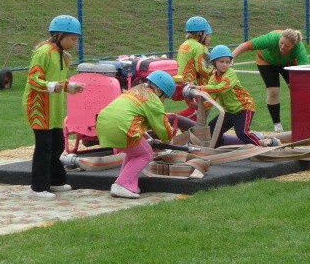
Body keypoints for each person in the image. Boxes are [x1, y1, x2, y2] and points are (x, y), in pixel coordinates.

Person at [23, 15, 86, 200]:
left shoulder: (60, 54)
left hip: (54, 107)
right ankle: (38, 187)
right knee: (44, 147)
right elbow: (33, 79)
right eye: (72, 39)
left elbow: (57, 81)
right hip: (39, 106)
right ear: (59, 35)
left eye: (76, 39)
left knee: (57, 144)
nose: (75, 43)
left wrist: (70, 86)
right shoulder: (43, 52)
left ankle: (56, 180)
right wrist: (51, 86)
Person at [96, 70, 176, 199]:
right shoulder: (153, 99)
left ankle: (128, 183)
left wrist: (145, 136)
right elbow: (162, 125)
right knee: (146, 153)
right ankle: (121, 184)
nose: (163, 101)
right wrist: (168, 140)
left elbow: (130, 114)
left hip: (104, 124)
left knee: (134, 152)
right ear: (159, 91)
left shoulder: (135, 91)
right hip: (122, 127)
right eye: (165, 97)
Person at [191, 45, 277, 148]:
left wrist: (200, 88)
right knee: (213, 129)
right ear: (214, 62)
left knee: (242, 133)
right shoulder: (213, 77)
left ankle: (263, 143)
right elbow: (213, 96)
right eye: (221, 61)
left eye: (227, 62)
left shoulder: (230, 73)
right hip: (229, 111)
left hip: (243, 108)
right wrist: (200, 106)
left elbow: (221, 88)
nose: (225, 64)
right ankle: (218, 149)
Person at [232, 29, 308, 132]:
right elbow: (246, 45)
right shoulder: (271, 39)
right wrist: (231, 58)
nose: (282, 47)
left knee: (298, 90)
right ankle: (277, 125)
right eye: (281, 43)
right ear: (279, 39)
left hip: (288, 63)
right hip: (266, 61)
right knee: (273, 92)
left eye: (287, 46)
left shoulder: (299, 49)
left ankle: (303, 121)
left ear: (294, 46)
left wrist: (298, 84)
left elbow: (304, 71)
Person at [176, 16, 213, 119]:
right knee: (198, 110)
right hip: (189, 83)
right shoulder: (198, 46)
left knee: (197, 112)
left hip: (180, 82)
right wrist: (213, 73)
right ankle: (171, 120)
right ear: (201, 33)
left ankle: (189, 131)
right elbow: (201, 68)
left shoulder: (184, 44)